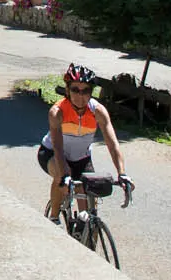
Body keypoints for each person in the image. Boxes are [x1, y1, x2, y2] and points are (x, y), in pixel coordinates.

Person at [37, 63, 128, 221]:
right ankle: (53, 219)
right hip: (52, 153)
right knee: (62, 175)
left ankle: (86, 236)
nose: (81, 95)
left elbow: (113, 145)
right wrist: (65, 175)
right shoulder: (57, 112)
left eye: (85, 90)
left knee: (90, 213)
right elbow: (58, 149)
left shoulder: (97, 111)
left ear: (91, 92)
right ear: (68, 91)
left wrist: (122, 173)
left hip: (81, 158)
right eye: (75, 90)